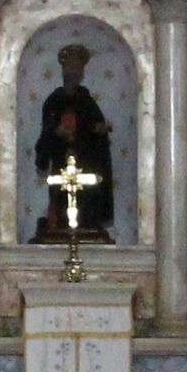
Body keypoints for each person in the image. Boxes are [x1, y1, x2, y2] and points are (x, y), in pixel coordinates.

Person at [32, 44, 116, 241]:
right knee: (61, 200)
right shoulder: (53, 101)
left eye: (78, 67)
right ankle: (61, 225)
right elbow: (47, 132)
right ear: (63, 70)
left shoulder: (88, 102)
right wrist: (57, 132)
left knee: (87, 202)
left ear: (82, 72)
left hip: (86, 163)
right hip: (62, 163)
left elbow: (95, 127)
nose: (74, 71)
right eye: (70, 66)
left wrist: (100, 129)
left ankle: (87, 225)